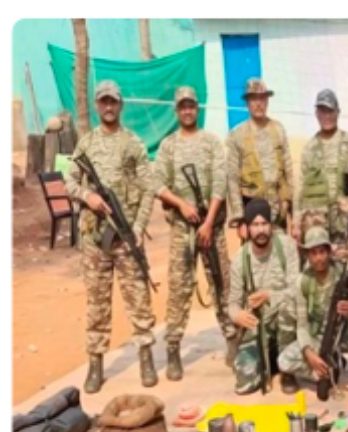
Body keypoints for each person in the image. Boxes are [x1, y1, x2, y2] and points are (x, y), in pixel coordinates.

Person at [64, 79, 158, 393]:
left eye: (113, 101)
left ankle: (146, 358)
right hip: (95, 239)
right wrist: (87, 197)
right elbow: (69, 180)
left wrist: (139, 227)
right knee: (97, 303)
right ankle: (95, 364)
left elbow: (149, 188)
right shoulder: (86, 143)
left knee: (139, 300)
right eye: (103, 101)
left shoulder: (132, 143)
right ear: (96, 105)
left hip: (126, 236)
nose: (108, 106)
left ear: (120, 105)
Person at [154, 85, 239, 380]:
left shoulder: (211, 142)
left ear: (197, 108)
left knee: (221, 283)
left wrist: (208, 221)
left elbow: (220, 183)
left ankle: (232, 340)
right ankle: (173, 348)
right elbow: (157, 184)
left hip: (210, 227)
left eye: (191, 105)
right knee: (179, 288)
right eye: (183, 106)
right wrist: (181, 204)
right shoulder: (168, 146)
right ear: (176, 110)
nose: (187, 111)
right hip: (182, 229)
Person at [278, 228, 348, 403]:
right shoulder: (302, 281)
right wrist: (309, 354)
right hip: (320, 338)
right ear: (307, 255)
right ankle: (327, 370)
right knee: (283, 361)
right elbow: (302, 325)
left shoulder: (344, 268)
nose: (318, 258)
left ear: (329, 252)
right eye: (313, 253)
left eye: (322, 252)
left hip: (347, 332)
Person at [227, 199, 300, 394]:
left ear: (271, 225)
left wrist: (270, 296)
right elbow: (232, 304)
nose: (260, 230)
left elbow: (297, 290)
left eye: (264, 224)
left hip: (287, 322)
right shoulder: (240, 260)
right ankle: (272, 358)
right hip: (259, 327)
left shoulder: (286, 246)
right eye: (255, 225)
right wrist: (238, 315)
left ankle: (287, 371)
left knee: (288, 307)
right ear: (247, 228)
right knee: (244, 385)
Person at [293, 88, 348, 260]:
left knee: (347, 272)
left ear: (338, 112)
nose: (326, 116)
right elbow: (300, 188)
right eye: (322, 111)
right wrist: (296, 222)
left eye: (330, 111)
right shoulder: (309, 149)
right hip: (317, 226)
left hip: (345, 226)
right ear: (316, 114)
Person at [226, 78, 293, 231]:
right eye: (253, 99)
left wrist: (292, 211)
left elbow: (289, 171)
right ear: (247, 103)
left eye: (262, 98)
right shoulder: (237, 134)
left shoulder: (278, 129)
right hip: (252, 213)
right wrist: (240, 218)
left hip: (278, 211)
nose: (258, 103)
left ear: (267, 101)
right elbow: (233, 179)